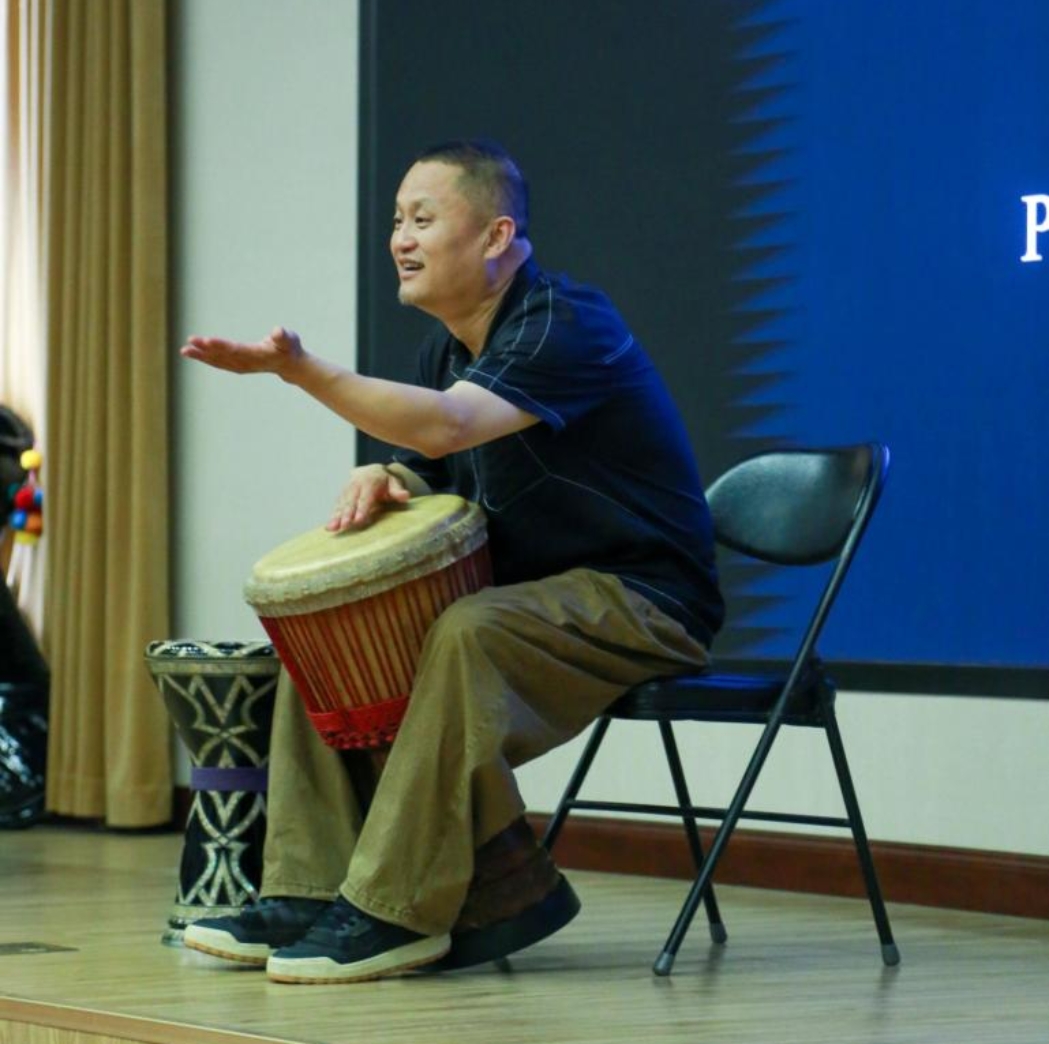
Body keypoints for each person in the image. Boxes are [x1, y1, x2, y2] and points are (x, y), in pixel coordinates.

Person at [179, 139, 724, 985]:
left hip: (644, 598)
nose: (400, 238)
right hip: (534, 599)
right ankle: (305, 890)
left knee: (468, 631)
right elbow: (437, 461)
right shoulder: (449, 351)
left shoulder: (565, 320)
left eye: (423, 219)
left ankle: (395, 912)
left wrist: (302, 372)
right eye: (397, 220)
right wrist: (388, 476)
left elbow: (447, 427)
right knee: (323, 632)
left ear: (497, 235)